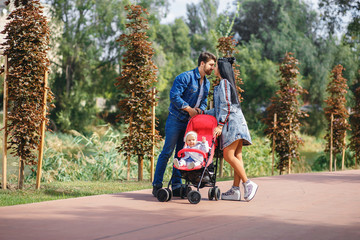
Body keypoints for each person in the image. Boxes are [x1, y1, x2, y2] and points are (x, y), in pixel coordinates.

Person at [152, 51, 217, 197]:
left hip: (190, 124)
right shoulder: (185, 77)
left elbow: (204, 100)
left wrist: (200, 110)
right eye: (211, 65)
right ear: (202, 63)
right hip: (175, 120)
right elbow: (174, 96)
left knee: (181, 154)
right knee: (167, 152)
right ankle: (157, 185)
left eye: (214, 66)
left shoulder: (206, 83)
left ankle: (176, 186)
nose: (213, 68)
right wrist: (189, 109)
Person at [205, 57, 258, 202]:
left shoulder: (224, 83)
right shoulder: (225, 84)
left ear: (221, 69)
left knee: (228, 155)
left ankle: (248, 183)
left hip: (232, 124)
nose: (214, 68)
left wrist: (220, 125)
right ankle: (235, 190)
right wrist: (202, 112)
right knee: (237, 156)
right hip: (236, 122)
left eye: (216, 66)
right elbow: (218, 109)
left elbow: (227, 106)